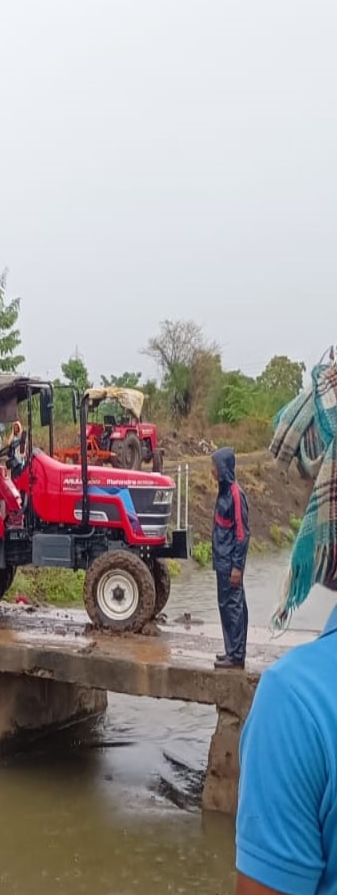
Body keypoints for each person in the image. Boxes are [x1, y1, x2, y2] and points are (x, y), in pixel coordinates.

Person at [234, 353, 337, 894]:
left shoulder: (297, 702)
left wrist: (231, 568)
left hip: (230, 566)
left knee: (235, 618)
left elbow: (237, 535)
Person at [211, 447, 250, 670]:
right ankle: (232, 651)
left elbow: (242, 534)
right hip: (222, 560)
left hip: (230, 564)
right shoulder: (224, 491)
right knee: (227, 606)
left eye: (214, 467)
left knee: (233, 607)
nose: (212, 471)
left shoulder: (235, 494)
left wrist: (237, 567)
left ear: (224, 468)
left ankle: (235, 656)